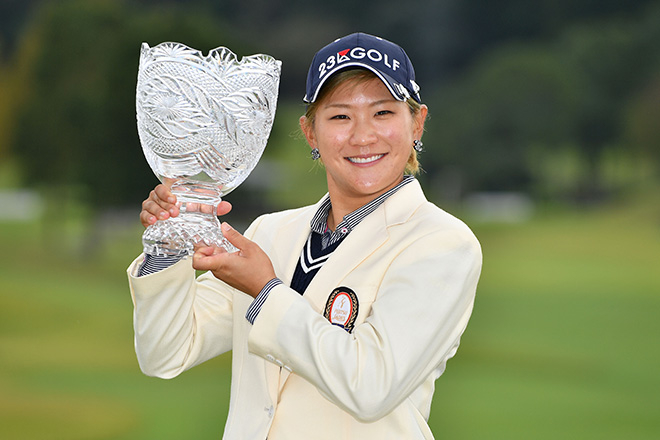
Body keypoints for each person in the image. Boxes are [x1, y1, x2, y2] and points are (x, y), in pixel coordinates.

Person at [128, 32, 482, 439]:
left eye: (383, 113)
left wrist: (265, 290)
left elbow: (371, 387)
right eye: (340, 116)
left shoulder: (442, 243)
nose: (363, 136)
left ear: (416, 122)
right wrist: (169, 241)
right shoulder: (271, 233)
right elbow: (165, 353)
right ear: (310, 132)